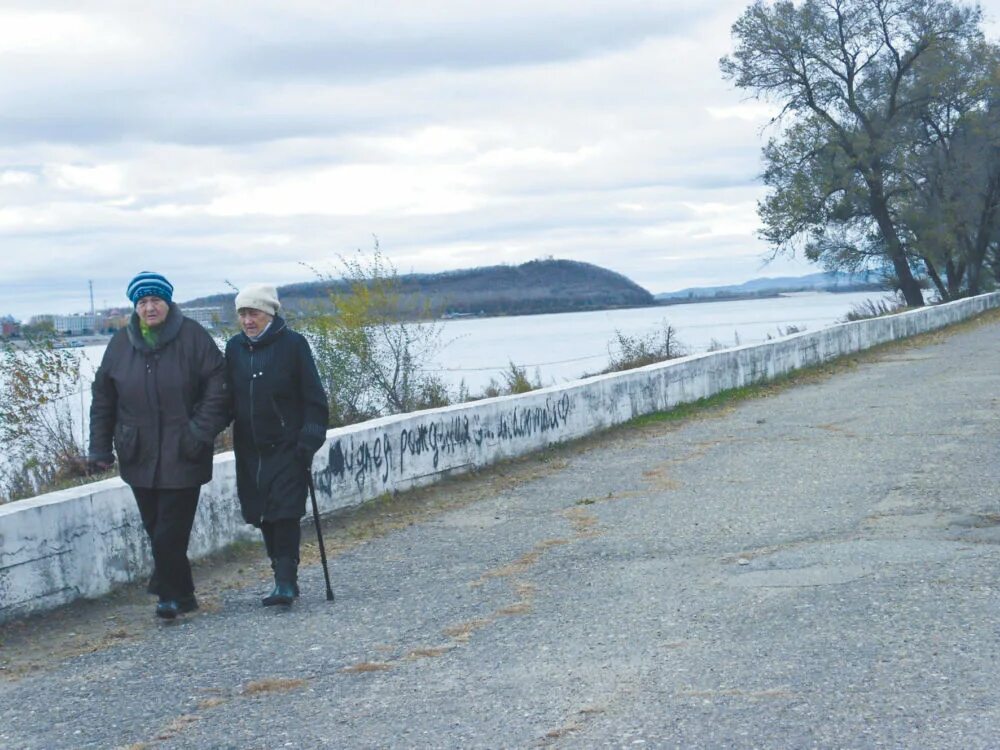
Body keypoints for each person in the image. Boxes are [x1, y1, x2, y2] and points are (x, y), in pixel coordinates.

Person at [89, 271, 230, 620]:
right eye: (142, 302)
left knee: (171, 527)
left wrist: (199, 432)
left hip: (185, 451)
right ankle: (184, 595)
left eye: (156, 300)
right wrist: (100, 449)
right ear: (135, 307)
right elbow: (103, 399)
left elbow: (220, 390)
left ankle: (166, 595)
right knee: (156, 527)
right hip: (138, 453)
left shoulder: (194, 338)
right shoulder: (120, 344)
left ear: (168, 302)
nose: (150, 308)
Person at [225, 284, 329, 606]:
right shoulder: (234, 349)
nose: (247, 320)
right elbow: (226, 397)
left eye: (253, 313)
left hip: (288, 445)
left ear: (269, 314)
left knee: (285, 512)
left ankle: (286, 581)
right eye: (242, 314)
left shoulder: (294, 345)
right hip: (250, 449)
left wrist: (309, 438)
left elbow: (314, 398)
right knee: (262, 514)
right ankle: (280, 575)